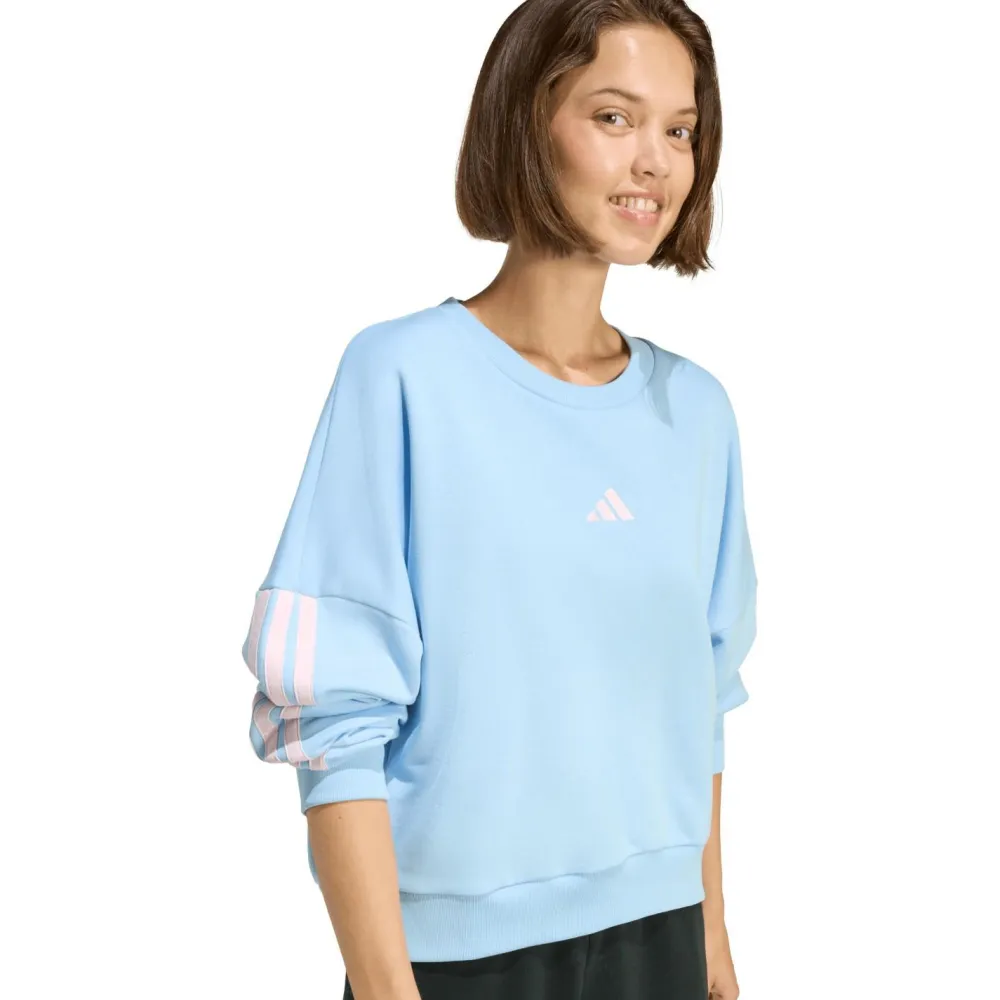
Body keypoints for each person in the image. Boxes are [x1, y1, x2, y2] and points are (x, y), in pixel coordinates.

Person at [238, 2, 758, 998]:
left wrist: (714, 938)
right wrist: (384, 983)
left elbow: (700, 701)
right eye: (614, 117)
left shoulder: (696, 414)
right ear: (526, 119)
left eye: (680, 129)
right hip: (455, 962)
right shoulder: (402, 377)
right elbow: (335, 721)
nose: (654, 160)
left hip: (661, 938)